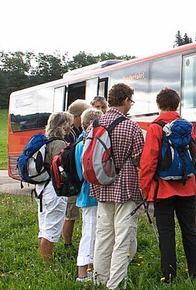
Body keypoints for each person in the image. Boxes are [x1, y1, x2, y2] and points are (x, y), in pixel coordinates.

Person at [139, 88, 196, 282]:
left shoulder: (155, 128)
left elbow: (148, 162)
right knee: (190, 229)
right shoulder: (188, 126)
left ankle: (168, 276)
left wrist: (145, 188)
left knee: (166, 233)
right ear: (178, 104)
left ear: (159, 105)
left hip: (163, 190)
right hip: (188, 187)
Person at [91, 83, 144, 289]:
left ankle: (99, 279)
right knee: (123, 237)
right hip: (125, 187)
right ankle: (115, 283)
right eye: (131, 100)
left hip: (101, 186)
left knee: (103, 235)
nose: (131, 104)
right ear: (125, 101)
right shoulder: (130, 126)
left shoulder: (95, 123)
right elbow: (140, 158)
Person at [37, 111, 74, 262]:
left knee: (44, 227)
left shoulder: (46, 141)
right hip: (54, 189)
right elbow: (62, 169)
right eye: (69, 124)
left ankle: (44, 259)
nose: (71, 128)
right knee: (51, 229)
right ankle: (47, 264)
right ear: (63, 126)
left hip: (42, 188)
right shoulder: (59, 144)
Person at [75, 108, 103, 282]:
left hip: (84, 193)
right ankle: (83, 273)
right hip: (91, 193)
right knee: (90, 233)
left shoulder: (79, 143)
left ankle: (91, 270)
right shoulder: (90, 143)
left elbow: (79, 174)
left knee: (92, 232)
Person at [63, 99, 91, 250]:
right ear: (78, 116)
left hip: (76, 178)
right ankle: (67, 244)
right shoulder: (69, 133)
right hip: (72, 179)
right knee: (71, 214)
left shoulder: (77, 131)